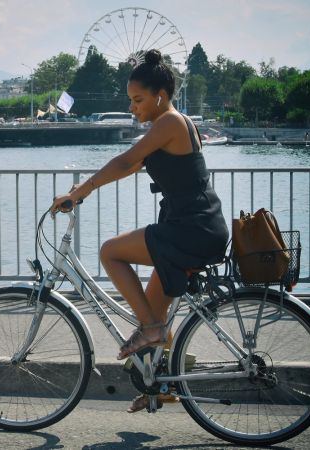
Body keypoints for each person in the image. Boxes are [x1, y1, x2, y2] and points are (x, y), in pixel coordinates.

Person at [50, 49, 229, 412]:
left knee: (110, 252)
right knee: (153, 314)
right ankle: (160, 386)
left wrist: (78, 192)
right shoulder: (168, 125)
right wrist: (83, 192)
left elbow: (126, 159)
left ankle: (151, 332)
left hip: (191, 229)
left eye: (137, 100)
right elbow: (128, 167)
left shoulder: (170, 122)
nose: (133, 108)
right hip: (192, 226)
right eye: (130, 101)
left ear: (159, 96)